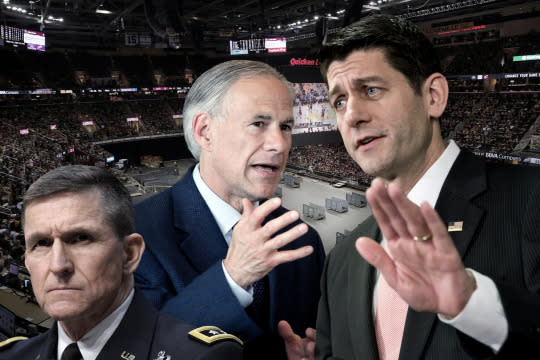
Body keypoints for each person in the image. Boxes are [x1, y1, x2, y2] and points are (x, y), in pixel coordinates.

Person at [314, 14, 540, 360]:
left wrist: (473, 306)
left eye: (371, 90)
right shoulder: (342, 263)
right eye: (339, 101)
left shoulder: (529, 200)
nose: (351, 115)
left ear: (433, 96)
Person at [133, 60, 326, 359]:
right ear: (205, 131)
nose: (280, 144)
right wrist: (232, 278)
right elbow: (139, 350)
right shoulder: (134, 236)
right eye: (258, 124)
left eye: (285, 126)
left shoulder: (303, 240)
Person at [0, 165, 242, 360]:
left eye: (81, 239)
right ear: (28, 262)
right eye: (41, 243)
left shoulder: (201, 356)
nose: (58, 265)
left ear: (129, 254)